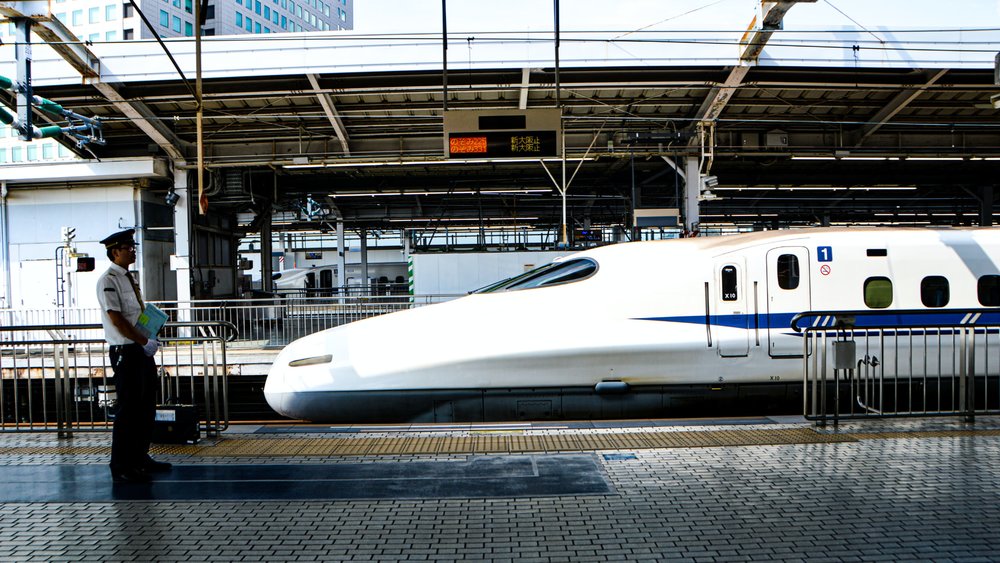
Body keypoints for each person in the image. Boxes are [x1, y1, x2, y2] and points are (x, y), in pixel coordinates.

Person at [96, 228, 172, 483]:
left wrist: (149, 331)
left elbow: (133, 314)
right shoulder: (108, 280)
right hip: (126, 351)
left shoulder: (129, 277)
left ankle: (140, 458)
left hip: (139, 348)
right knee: (128, 410)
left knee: (145, 406)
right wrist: (143, 341)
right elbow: (116, 319)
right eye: (128, 248)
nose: (133, 251)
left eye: (133, 247)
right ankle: (121, 465)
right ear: (115, 252)